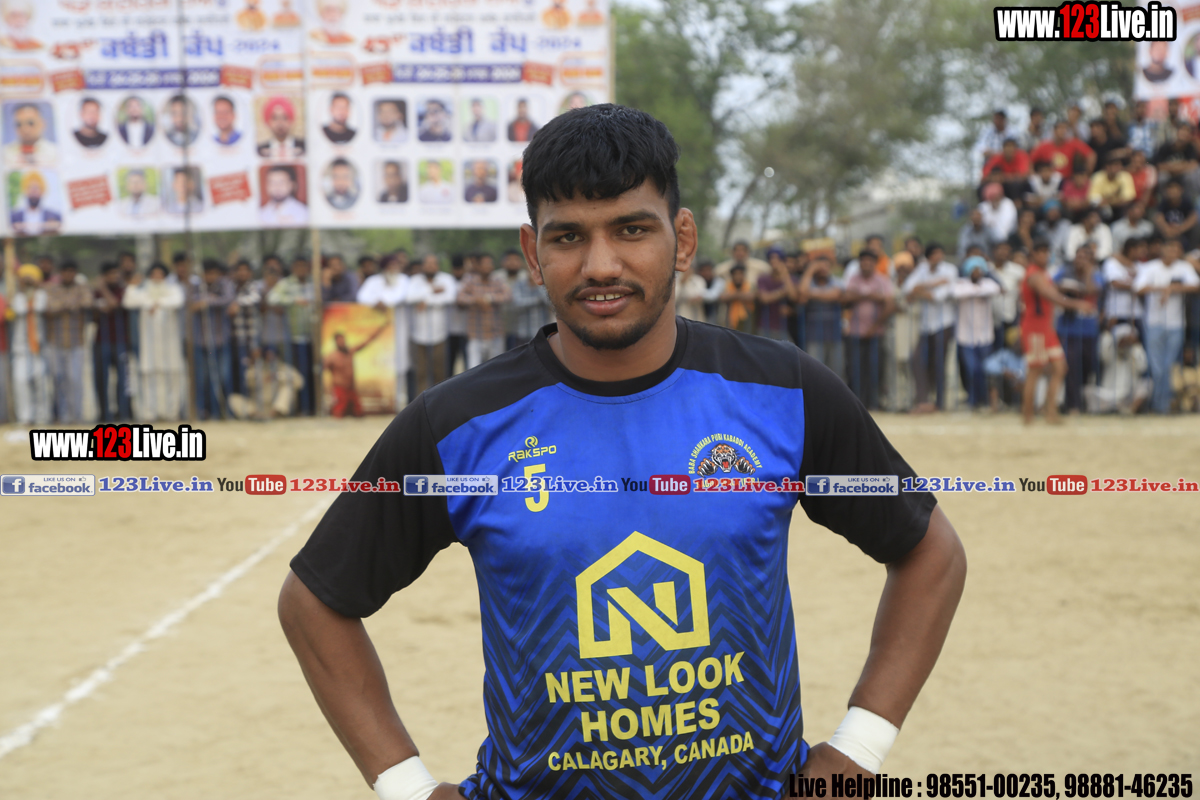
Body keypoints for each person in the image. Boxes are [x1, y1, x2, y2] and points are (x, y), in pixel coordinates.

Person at [278, 104, 966, 799]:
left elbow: (929, 552)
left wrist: (859, 748)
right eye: (568, 236)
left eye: (632, 229)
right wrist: (407, 787)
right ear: (532, 253)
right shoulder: (458, 425)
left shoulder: (781, 390)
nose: (601, 265)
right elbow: (315, 602)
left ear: (682, 238)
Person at [1020, 240, 1092, 425]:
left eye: (1047, 252)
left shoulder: (1042, 274)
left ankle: (1050, 412)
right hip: (1035, 328)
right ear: (1034, 255)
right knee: (1035, 371)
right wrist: (1077, 304)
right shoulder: (1034, 275)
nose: (1045, 256)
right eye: (1041, 252)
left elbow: (1054, 294)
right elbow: (1051, 296)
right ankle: (1028, 416)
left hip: (1045, 328)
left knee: (1060, 368)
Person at [1135, 237, 1200, 413]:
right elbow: (1138, 288)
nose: (1173, 253)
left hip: (1176, 324)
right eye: (1170, 249)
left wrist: (1172, 289)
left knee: (1168, 366)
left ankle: (1161, 405)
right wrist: (1162, 288)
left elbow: (1196, 286)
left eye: (1176, 250)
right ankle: (1159, 404)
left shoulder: (1183, 267)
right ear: (1162, 249)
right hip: (1154, 323)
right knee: (1156, 367)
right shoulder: (1150, 267)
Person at [123, 262, 185, 421]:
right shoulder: (144, 292)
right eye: (154, 274)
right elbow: (128, 301)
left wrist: (158, 303)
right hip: (149, 344)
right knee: (148, 377)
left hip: (169, 344)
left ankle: (172, 412)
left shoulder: (172, 289)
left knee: (172, 375)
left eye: (160, 274)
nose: (157, 277)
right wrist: (133, 287)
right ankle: (150, 412)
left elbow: (178, 300)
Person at [902, 243, 958, 413]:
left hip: (944, 323)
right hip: (926, 326)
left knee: (939, 363)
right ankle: (923, 400)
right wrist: (935, 283)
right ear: (928, 256)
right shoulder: (922, 269)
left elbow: (938, 297)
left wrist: (919, 289)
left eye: (940, 253)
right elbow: (907, 289)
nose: (938, 257)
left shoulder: (950, 270)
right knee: (917, 360)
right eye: (935, 254)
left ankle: (940, 402)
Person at [843, 249, 894, 409]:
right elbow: (847, 297)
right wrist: (870, 296)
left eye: (869, 261)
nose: (866, 263)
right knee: (855, 369)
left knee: (875, 369)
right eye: (863, 260)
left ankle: (874, 402)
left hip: (876, 332)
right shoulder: (853, 278)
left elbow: (889, 304)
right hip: (855, 332)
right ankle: (857, 403)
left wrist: (875, 326)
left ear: (875, 263)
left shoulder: (882, 280)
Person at [357, 254, 410, 407]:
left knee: (400, 363)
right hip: (379, 331)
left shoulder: (404, 280)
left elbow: (401, 295)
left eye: (396, 266)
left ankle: (399, 399)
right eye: (390, 266)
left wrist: (384, 302)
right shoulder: (373, 281)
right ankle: (382, 400)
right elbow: (361, 296)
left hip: (399, 328)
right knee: (380, 363)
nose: (394, 269)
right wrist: (375, 302)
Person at [43, 260, 91, 423]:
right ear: (60, 273)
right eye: (65, 271)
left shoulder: (82, 288)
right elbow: (50, 307)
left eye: (72, 271)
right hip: (55, 342)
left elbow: (87, 302)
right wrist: (69, 304)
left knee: (75, 380)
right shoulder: (52, 288)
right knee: (58, 379)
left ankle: (76, 415)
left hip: (77, 342)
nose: (68, 274)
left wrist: (64, 304)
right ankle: (62, 416)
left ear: (75, 273)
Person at [188, 259, 236, 420]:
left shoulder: (224, 284)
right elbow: (191, 303)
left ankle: (223, 410)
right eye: (207, 273)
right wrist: (208, 300)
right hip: (201, 341)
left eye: (213, 273)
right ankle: (204, 411)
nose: (210, 277)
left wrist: (208, 300)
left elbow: (227, 299)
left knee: (223, 376)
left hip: (221, 340)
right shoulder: (196, 286)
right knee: (203, 378)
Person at [269, 256, 317, 414]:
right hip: (295, 337)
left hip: (315, 337)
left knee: (315, 372)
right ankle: (301, 408)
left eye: (304, 266)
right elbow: (272, 298)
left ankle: (313, 407)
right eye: (298, 266)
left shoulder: (313, 282)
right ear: (293, 268)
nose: (301, 269)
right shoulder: (286, 284)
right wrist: (293, 300)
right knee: (300, 373)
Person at [951, 256, 1000, 410]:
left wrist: (975, 291)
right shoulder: (961, 283)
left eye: (980, 270)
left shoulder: (988, 283)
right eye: (974, 270)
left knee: (985, 370)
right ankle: (972, 400)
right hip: (965, 336)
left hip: (985, 336)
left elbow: (995, 289)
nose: (977, 273)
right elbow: (956, 292)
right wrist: (977, 291)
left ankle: (984, 400)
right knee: (972, 369)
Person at [405, 253, 457, 395]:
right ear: (422, 266)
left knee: (440, 373)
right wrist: (431, 291)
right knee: (420, 373)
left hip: (440, 334)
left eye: (433, 264)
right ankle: (420, 404)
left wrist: (426, 301)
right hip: (418, 334)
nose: (430, 266)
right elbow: (409, 298)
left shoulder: (446, 279)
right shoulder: (415, 280)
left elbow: (449, 298)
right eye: (427, 264)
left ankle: (438, 402)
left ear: (438, 266)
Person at [10, 263, 51, 425]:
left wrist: (33, 294)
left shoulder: (41, 295)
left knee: (40, 382)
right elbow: (19, 309)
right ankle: (25, 417)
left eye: (30, 279)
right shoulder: (17, 297)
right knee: (21, 381)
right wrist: (26, 297)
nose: (27, 282)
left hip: (38, 347)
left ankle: (42, 416)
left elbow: (40, 307)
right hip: (21, 347)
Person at [92, 262, 133, 422]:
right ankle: (104, 414)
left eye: (116, 273)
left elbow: (114, 303)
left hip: (121, 340)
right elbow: (93, 311)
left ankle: (123, 413)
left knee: (123, 379)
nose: (114, 277)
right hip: (101, 340)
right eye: (110, 274)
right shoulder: (95, 293)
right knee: (101, 379)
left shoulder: (124, 290)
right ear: (104, 276)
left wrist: (103, 290)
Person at [457, 251, 512, 368]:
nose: (488, 266)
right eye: (485, 263)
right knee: (474, 370)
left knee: (496, 370)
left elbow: (508, 296)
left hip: (495, 334)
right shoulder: (470, 281)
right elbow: (460, 298)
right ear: (478, 266)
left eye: (490, 263)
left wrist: (489, 298)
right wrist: (475, 300)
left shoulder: (497, 280)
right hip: (476, 335)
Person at [1084, 324, 1151, 415]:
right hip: (1108, 395)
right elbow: (1104, 354)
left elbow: (1142, 367)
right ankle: (1114, 409)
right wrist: (1108, 331)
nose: (1125, 343)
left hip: (1128, 396)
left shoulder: (1134, 352)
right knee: (1088, 390)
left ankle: (1130, 410)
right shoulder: (1110, 351)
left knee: (1147, 384)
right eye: (1123, 339)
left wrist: (1136, 346)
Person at [324, 326, 388, 418]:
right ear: (336, 342)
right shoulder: (332, 357)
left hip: (351, 389)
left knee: (358, 412)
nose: (342, 342)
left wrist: (378, 331)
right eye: (339, 340)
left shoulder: (350, 352)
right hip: (340, 389)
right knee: (338, 413)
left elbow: (365, 343)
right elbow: (321, 368)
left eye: (343, 340)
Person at [798, 254, 844, 375]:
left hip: (834, 333)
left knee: (836, 371)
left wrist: (810, 294)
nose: (824, 269)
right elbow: (802, 292)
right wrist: (810, 270)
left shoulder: (836, 281)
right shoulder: (809, 282)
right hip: (814, 334)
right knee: (815, 371)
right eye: (820, 266)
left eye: (827, 266)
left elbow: (835, 294)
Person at [228, 348, 304, 419]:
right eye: (267, 356)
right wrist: (254, 365)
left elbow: (300, 382)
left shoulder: (285, 368)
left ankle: (275, 413)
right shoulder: (257, 369)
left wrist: (278, 376)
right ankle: (256, 415)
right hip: (260, 406)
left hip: (278, 406)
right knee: (233, 398)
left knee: (287, 389)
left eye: (272, 356)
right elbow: (248, 383)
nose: (270, 359)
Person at [500, 249, 551, 350]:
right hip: (522, 332)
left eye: (536, 269)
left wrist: (537, 286)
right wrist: (538, 300)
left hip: (541, 332)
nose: (533, 272)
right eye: (530, 268)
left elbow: (549, 302)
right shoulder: (519, 284)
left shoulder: (545, 285)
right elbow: (518, 304)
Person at [228, 259, 262, 396]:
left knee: (251, 374)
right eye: (239, 270)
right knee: (236, 374)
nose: (242, 273)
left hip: (251, 338)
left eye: (245, 270)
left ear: (250, 273)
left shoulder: (254, 286)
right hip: (234, 338)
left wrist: (237, 303)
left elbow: (255, 298)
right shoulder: (230, 287)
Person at [1031, 120, 1096, 179]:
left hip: (1067, 182)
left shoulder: (1073, 143)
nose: (1063, 131)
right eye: (1060, 128)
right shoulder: (1044, 146)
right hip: (1049, 182)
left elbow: (1091, 155)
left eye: (1065, 128)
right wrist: (1035, 178)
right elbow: (1030, 161)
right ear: (1054, 130)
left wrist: (1087, 175)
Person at [11, 170, 61, 236]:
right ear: (25, 190)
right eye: (30, 187)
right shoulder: (14, 217)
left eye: (37, 188)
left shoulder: (55, 217)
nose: (33, 191)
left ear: (42, 191)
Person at [1153, 179, 1198, 252]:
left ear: (1181, 190)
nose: (1172, 191)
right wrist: (1166, 228)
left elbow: (1193, 217)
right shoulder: (1164, 202)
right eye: (1170, 188)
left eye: (1175, 188)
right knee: (1155, 229)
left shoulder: (1186, 201)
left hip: (1183, 232)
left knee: (1196, 229)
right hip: (1167, 232)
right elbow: (1158, 217)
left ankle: (1192, 251)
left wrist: (1180, 229)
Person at [1088, 153, 1136, 221]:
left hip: (1119, 210)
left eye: (1119, 165)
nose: (1118, 168)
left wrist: (1108, 201)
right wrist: (1114, 199)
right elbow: (1093, 199)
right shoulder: (1097, 177)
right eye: (1115, 165)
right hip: (1101, 210)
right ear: (1107, 167)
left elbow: (1128, 199)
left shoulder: (1125, 176)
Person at [445, 255, 469, 375]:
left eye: (460, 269)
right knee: (450, 364)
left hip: (466, 330)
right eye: (456, 269)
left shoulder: (469, 282)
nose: (458, 272)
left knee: (468, 364)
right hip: (450, 330)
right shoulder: (448, 282)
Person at [719, 263, 756, 332]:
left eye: (740, 274)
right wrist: (740, 294)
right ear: (731, 276)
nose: (738, 276)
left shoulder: (749, 285)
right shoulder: (727, 286)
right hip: (729, 322)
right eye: (735, 274)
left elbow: (751, 297)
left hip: (747, 320)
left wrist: (733, 295)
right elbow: (723, 297)